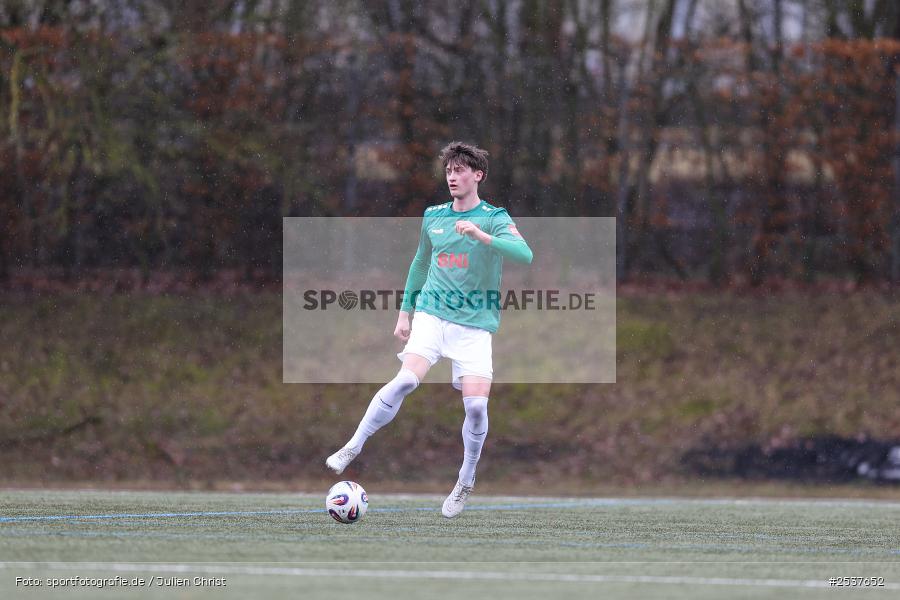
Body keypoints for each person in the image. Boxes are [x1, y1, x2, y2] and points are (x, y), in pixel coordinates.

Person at [326, 141, 533, 518]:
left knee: (475, 407)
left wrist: (483, 237)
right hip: (432, 314)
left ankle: (465, 479)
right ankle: (354, 445)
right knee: (406, 380)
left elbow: (525, 255)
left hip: (474, 326)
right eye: (449, 171)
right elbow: (420, 264)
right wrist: (405, 312)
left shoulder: (494, 217)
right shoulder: (433, 216)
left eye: (459, 171)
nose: (452, 177)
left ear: (478, 175)